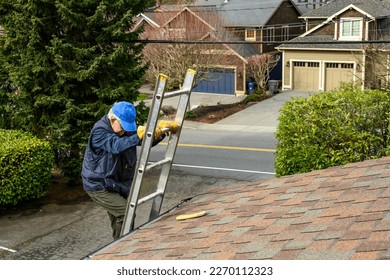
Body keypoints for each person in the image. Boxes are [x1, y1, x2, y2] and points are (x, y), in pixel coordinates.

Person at [81, 101, 170, 240]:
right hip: (99, 185)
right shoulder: (99, 131)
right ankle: (121, 249)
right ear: (113, 119)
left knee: (119, 219)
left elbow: (142, 140)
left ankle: (116, 249)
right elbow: (116, 145)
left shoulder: (123, 128)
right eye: (122, 127)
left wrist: (161, 132)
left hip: (118, 183)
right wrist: (138, 136)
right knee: (125, 214)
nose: (124, 131)